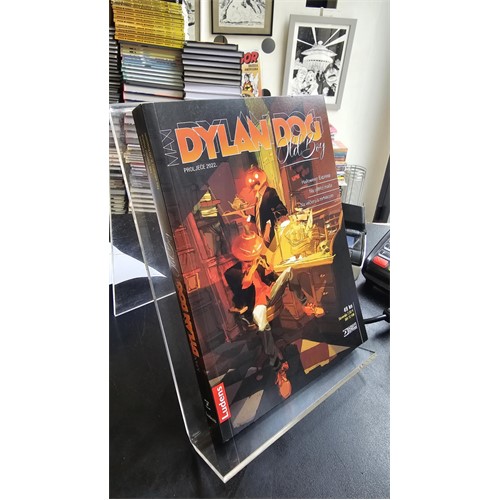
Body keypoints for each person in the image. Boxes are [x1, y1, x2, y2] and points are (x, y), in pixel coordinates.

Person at [225, 228, 325, 398]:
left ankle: (306, 306)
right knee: (262, 324)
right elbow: (245, 284)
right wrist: (253, 266)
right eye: (251, 255)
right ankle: (279, 369)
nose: (255, 257)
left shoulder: (260, 261)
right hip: (255, 306)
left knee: (289, 272)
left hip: (269, 295)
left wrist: (270, 272)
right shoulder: (232, 272)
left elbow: (271, 279)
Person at [245, 165, 287, 249]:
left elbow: (280, 209)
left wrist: (269, 225)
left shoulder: (270, 193)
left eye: (255, 176)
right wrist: (247, 217)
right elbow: (261, 218)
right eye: (250, 180)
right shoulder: (258, 198)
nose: (253, 181)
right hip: (263, 239)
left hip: (271, 236)